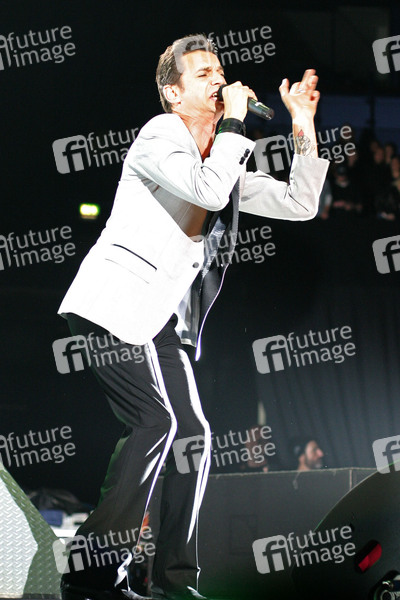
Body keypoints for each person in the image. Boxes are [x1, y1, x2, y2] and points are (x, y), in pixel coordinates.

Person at [57, 34, 329, 600]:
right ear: (173, 94)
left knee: (192, 438)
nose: (218, 80)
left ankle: (175, 581)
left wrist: (302, 124)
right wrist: (234, 126)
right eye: (203, 74)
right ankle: (90, 574)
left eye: (219, 72)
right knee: (155, 423)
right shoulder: (161, 136)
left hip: (159, 321)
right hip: (111, 304)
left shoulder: (222, 161)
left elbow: (301, 204)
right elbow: (205, 189)